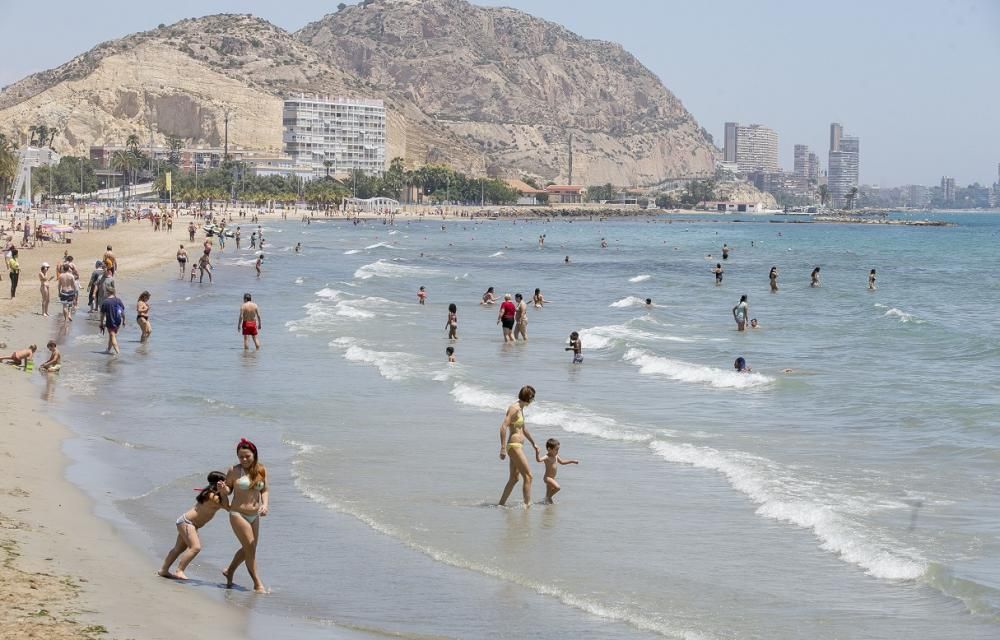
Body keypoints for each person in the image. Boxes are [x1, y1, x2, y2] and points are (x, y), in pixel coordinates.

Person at [158, 471, 230, 580]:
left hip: (187, 522)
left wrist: (222, 492)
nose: (227, 486)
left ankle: (163, 570)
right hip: (188, 522)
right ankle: (179, 571)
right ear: (219, 483)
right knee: (195, 547)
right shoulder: (212, 496)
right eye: (225, 483)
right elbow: (228, 507)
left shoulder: (211, 493)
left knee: (178, 548)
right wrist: (224, 492)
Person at [223, 438, 268, 593]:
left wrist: (265, 504)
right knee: (250, 548)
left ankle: (229, 571)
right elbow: (228, 490)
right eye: (241, 457)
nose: (244, 459)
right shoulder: (234, 470)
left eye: (247, 456)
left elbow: (264, 490)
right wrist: (223, 489)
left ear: (254, 455)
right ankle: (257, 583)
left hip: (254, 515)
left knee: (250, 547)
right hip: (238, 513)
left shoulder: (261, 469)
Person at [498, 386, 539, 507]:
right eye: (532, 398)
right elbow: (503, 426)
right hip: (514, 446)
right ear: (528, 397)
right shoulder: (514, 408)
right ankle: (527, 506)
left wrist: (533, 443)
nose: (532, 401)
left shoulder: (521, 408)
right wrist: (502, 447)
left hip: (518, 446)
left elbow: (523, 428)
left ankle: (500, 505)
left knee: (514, 478)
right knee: (528, 476)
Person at [535, 438, 579, 504]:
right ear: (549, 449)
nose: (557, 451)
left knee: (549, 502)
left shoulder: (556, 456)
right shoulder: (547, 456)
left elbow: (562, 462)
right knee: (557, 487)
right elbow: (539, 460)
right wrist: (537, 453)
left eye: (558, 449)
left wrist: (572, 461)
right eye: (556, 449)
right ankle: (548, 497)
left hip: (552, 478)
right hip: (548, 478)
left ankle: (547, 506)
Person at [99, 283, 126, 355]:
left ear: (108, 292)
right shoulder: (118, 300)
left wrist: (101, 323)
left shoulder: (105, 302)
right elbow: (122, 311)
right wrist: (124, 320)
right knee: (112, 335)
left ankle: (118, 353)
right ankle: (108, 350)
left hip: (110, 321)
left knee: (112, 335)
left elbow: (102, 314)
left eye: (105, 291)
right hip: (118, 321)